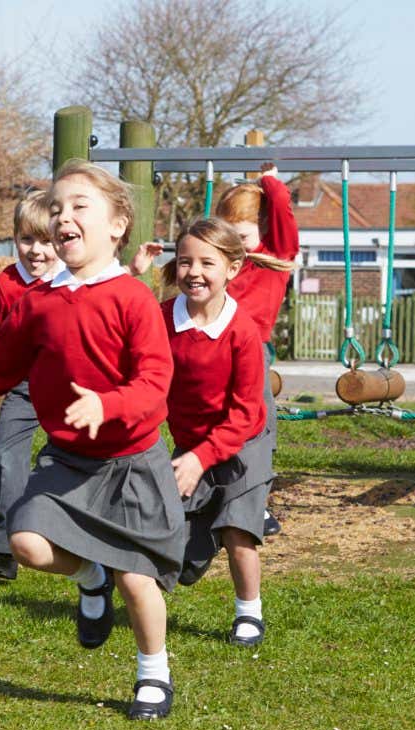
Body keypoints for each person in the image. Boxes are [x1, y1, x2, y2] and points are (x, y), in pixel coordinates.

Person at [0, 161, 182, 720]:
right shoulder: (37, 300)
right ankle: (88, 578)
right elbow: (2, 362)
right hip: (69, 460)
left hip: (131, 462)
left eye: (79, 207)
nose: (64, 217)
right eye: (58, 208)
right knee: (26, 543)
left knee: (138, 580)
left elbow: (154, 384)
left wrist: (108, 403)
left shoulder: (133, 298)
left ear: (118, 225)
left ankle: (154, 673)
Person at [160, 218, 272, 647]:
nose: (194, 272)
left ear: (233, 269)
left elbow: (244, 415)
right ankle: (196, 546)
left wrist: (201, 458)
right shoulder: (161, 320)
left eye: (208, 262)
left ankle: (249, 613)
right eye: (185, 261)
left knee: (238, 529)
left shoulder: (242, 333)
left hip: (244, 442)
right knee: (180, 552)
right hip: (190, 443)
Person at [0, 192, 62, 581]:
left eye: (47, 241)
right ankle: (4, 549)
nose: (36, 251)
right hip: (22, 385)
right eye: (27, 240)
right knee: (5, 457)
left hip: (69, 387)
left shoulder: (74, 281)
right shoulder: (6, 284)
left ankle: (77, 534)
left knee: (66, 460)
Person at [215, 164, 297, 537]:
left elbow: (281, 205)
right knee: (215, 420)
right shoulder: (228, 260)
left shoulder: (278, 252)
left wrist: (269, 178)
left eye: (242, 233)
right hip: (215, 346)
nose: (235, 240)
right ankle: (217, 493)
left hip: (251, 350)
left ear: (264, 228)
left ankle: (255, 504)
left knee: (257, 425)